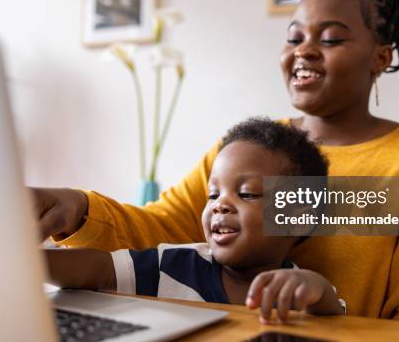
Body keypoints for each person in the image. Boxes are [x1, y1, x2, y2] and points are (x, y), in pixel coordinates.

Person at [33, 0, 399, 326]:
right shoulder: (249, 150)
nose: (304, 51)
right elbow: (160, 234)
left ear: (380, 57)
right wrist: (76, 208)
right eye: (294, 37)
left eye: (329, 39)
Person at [45, 118, 345, 323]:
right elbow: (95, 269)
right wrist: (20, 260)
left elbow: (335, 319)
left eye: (247, 193)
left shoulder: (298, 290)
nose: (221, 205)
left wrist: (317, 290)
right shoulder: (172, 265)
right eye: (213, 194)